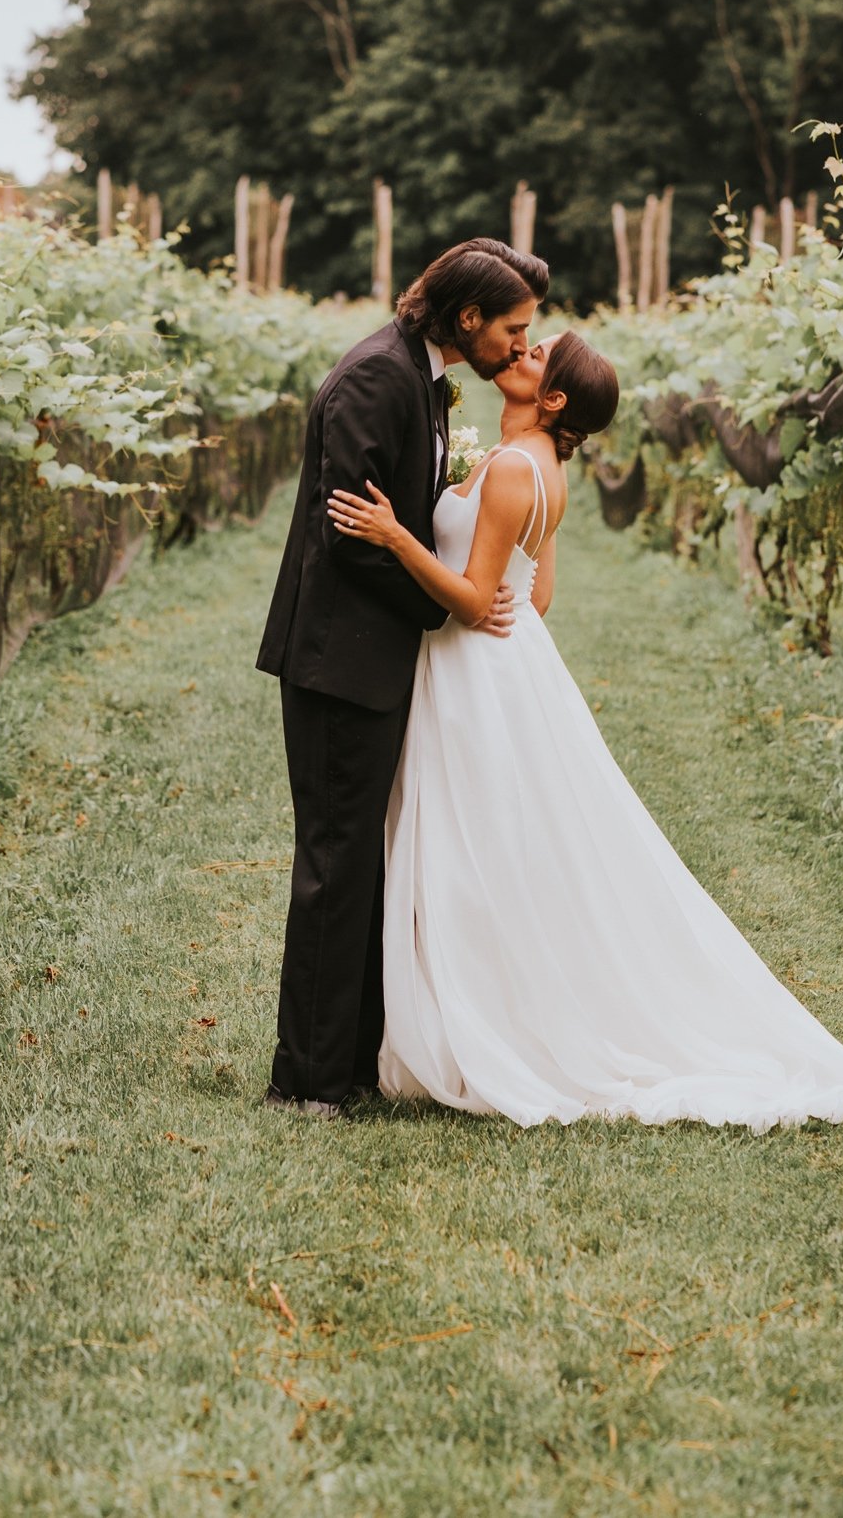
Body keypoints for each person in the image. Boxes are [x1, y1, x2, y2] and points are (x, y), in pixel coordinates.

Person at [327, 330, 843, 1131]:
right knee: (505, 843)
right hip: (512, 666)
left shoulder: (507, 469)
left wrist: (395, 535)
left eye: (536, 357)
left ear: (554, 398)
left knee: (476, 847)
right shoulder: (545, 470)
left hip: (476, 673)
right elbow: (535, 600)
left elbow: (470, 602)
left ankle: (484, 1017)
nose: (518, 355)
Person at [256, 237, 549, 1116]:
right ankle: (304, 1082)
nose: (520, 344)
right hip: (338, 658)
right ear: (469, 320)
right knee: (335, 861)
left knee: (363, 864)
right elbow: (351, 532)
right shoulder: (376, 380)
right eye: (515, 328)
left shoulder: (419, 376)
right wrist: (446, 601)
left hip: (371, 660)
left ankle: (349, 1065)